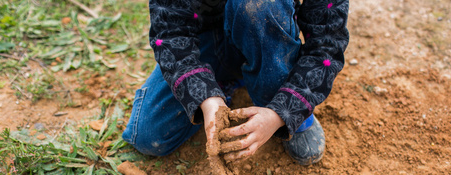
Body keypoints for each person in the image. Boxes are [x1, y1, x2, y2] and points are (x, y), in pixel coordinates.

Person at [122, 0, 349, 165]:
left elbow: (326, 46)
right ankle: (223, 79)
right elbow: (171, 35)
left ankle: (278, 94)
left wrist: (282, 112)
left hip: (266, 35)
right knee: (149, 135)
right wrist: (207, 99)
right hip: (207, 39)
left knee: (259, 5)